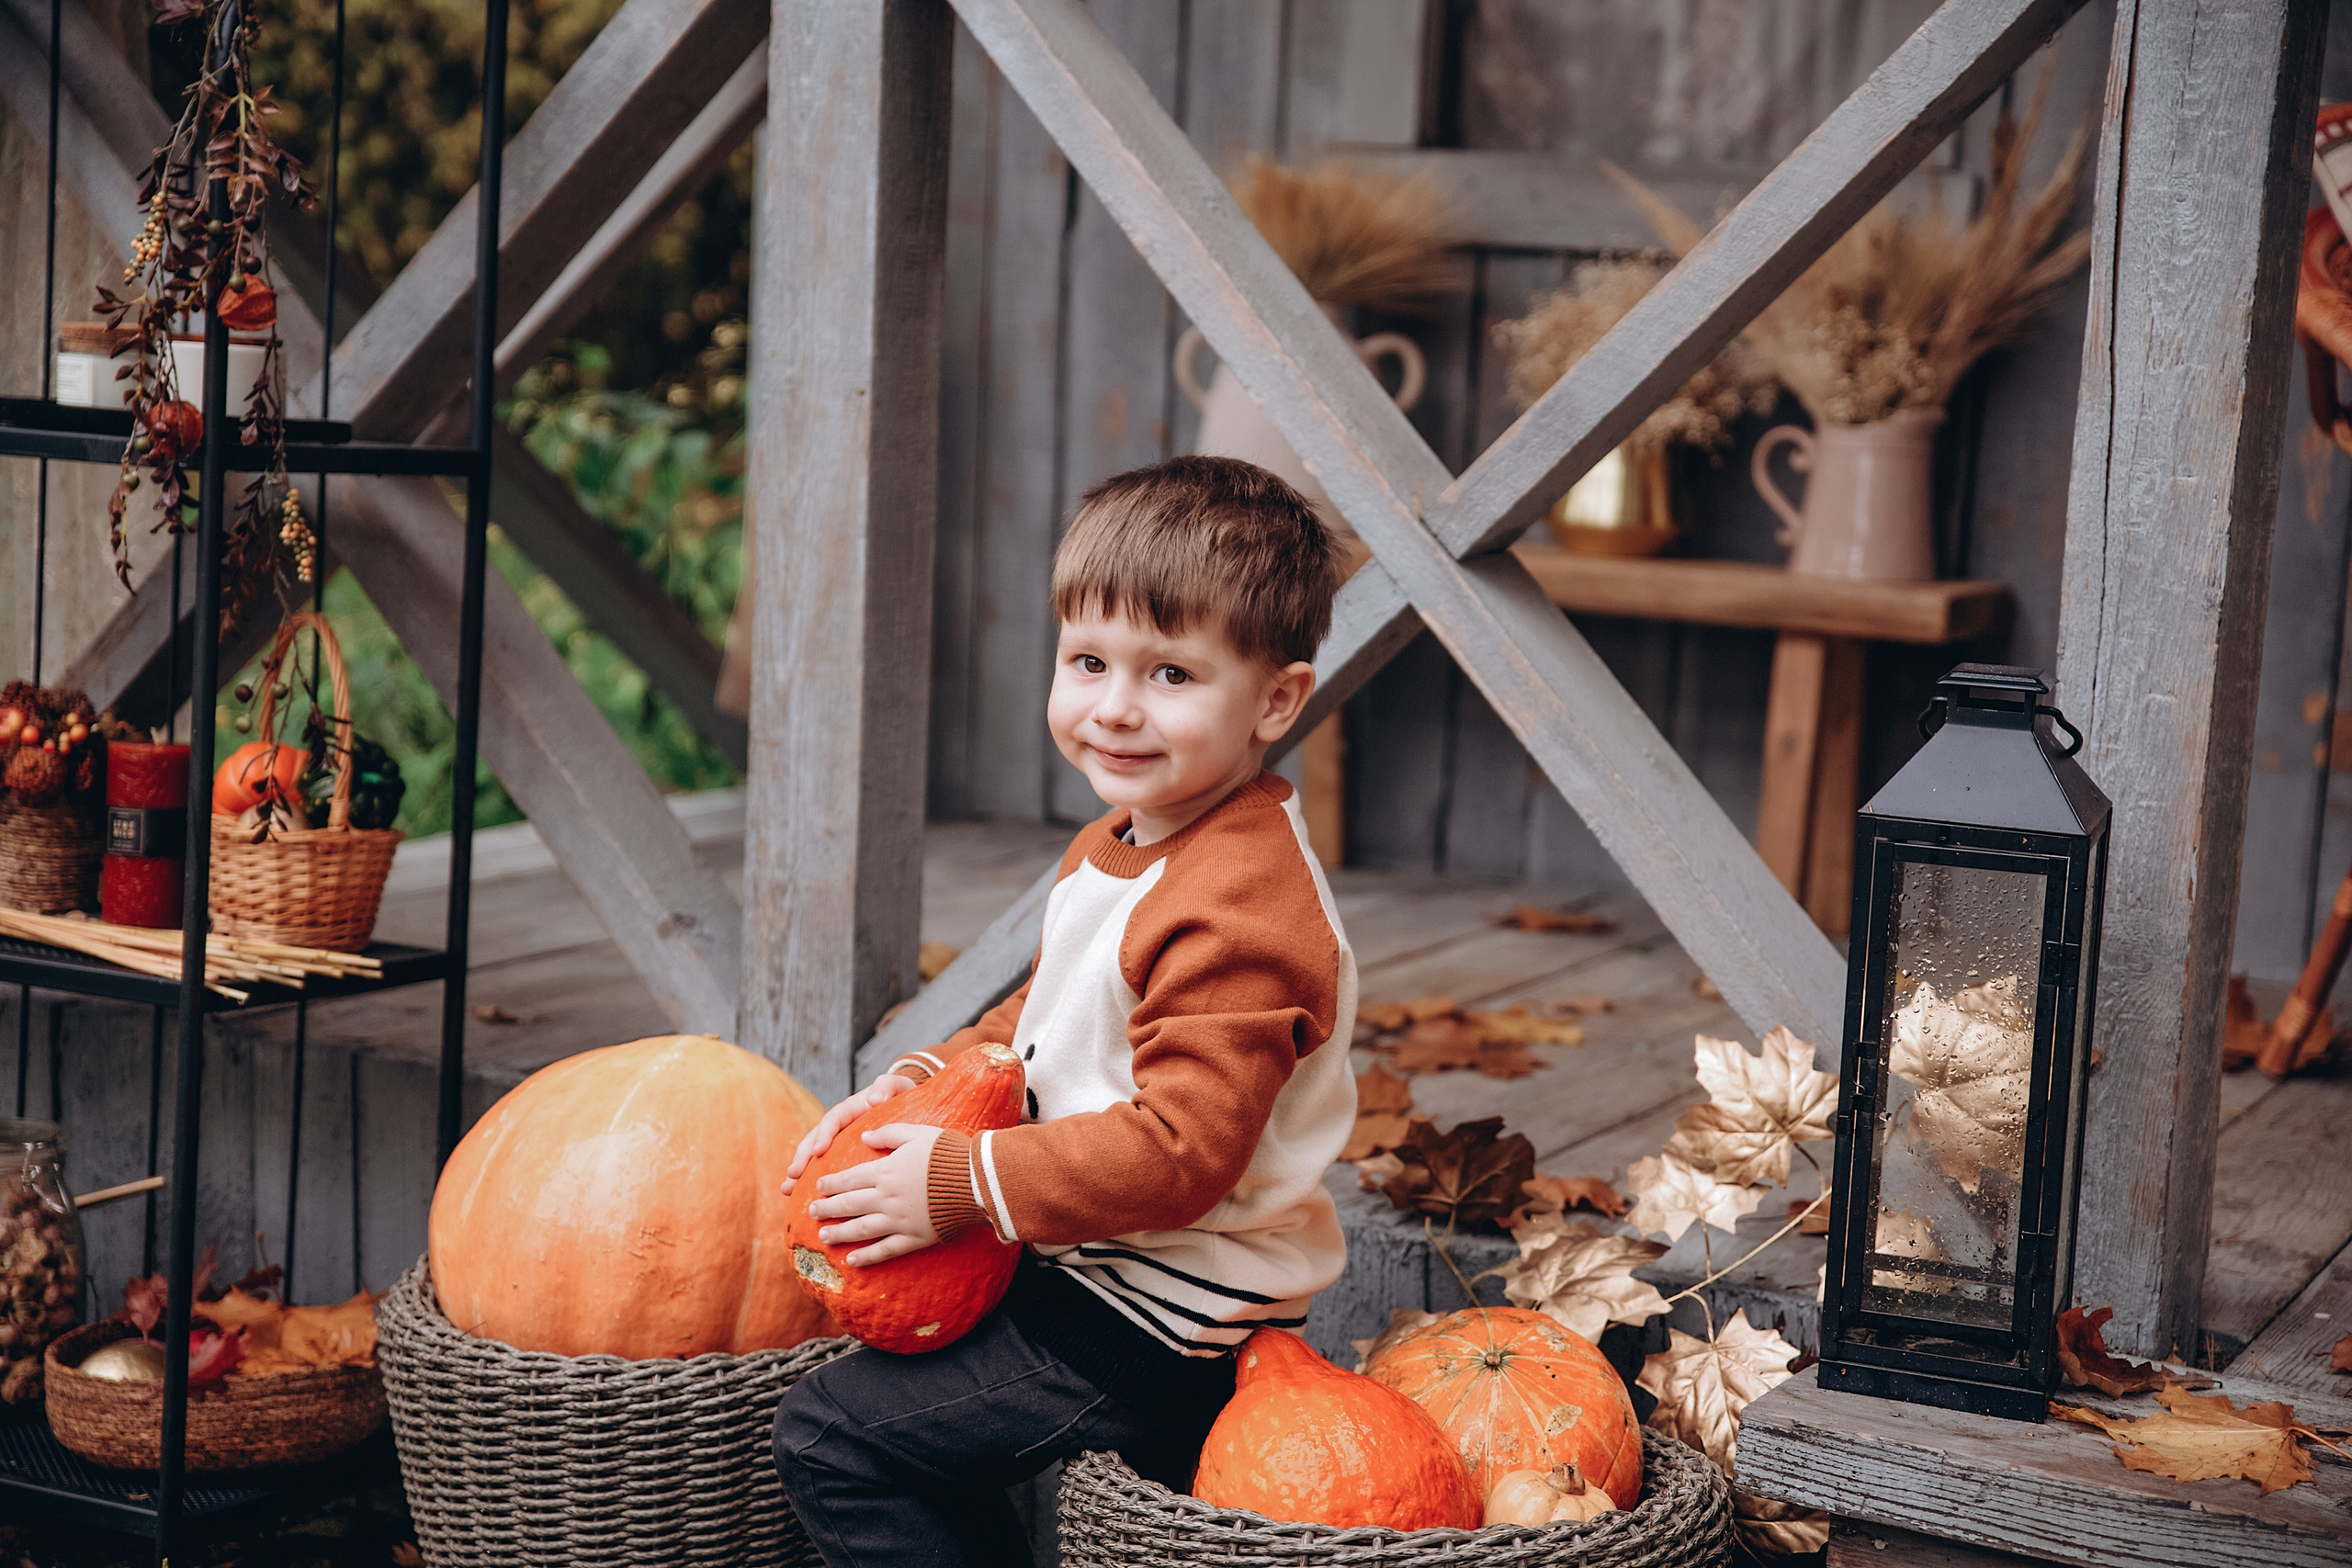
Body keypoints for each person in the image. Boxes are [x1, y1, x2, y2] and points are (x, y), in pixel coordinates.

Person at [774, 455, 1361, 1568]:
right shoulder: (1133, 839)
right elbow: (1040, 1020)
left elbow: (1183, 1152)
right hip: (1092, 1265)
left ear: (1275, 700)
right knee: (881, 1402)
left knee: (837, 1438)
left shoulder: (1243, 909)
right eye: (1088, 660)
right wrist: (915, 1089)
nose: (1115, 708)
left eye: (1171, 675)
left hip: (1163, 1317)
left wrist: (956, 1188)